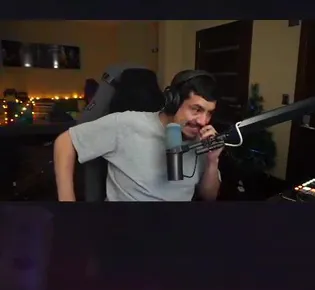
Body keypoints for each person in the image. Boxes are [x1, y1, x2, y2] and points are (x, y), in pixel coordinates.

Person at [53, 69, 222, 201]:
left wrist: (212, 161)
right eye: (196, 109)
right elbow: (65, 142)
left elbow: (209, 197)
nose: (203, 121)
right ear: (174, 101)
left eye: (209, 113)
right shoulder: (127, 124)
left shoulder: (201, 139)